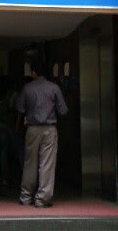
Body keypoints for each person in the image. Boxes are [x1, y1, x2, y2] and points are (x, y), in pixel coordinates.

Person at [17, 58, 68, 208]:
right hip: (49, 128)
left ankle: (25, 196)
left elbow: (20, 108)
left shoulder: (27, 88)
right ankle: (42, 199)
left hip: (32, 128)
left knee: (30, 162)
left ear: (33, 72)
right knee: (47, 164)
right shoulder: (54, 88)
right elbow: (63, 110)